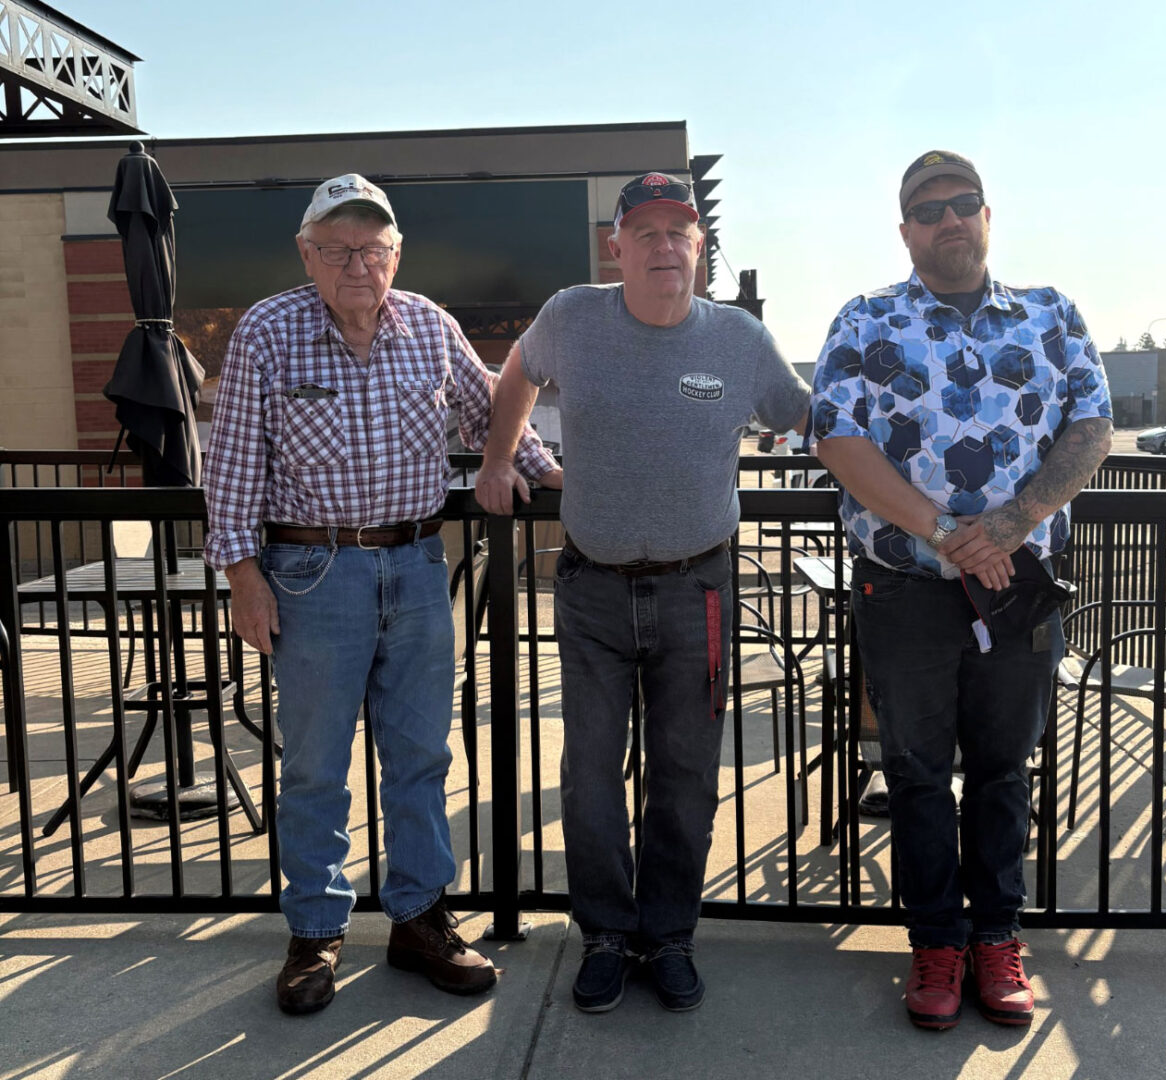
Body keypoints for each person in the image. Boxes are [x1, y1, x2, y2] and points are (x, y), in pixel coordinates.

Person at [203, 173, 561, 1015]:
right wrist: (242, 578)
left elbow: (493, 416)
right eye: (337, 249)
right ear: (307, 253)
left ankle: (419, 918)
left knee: (420, 757)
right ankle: (314, 933)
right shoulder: (266, 331)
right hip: (311, 574)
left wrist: (564, 492)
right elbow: (230, 472)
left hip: (414, 567)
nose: (356, 264)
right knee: (317, 767)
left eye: (372, 248)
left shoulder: (430, 326)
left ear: (396, 253)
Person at [476, 172, 810, 1014]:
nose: (666, 247)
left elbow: (815, 418)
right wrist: (497, 459)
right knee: (588, 774)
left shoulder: (738, 339)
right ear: (614, 247)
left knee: (686, 774)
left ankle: (668, 935)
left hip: (697, 589)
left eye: (681, 233)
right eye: (648, 233)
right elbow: (513, 378)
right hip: (591, 587)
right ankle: (605, 935)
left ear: (700, 248)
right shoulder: (571, 317)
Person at [811, 150, 1112, 1030]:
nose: (949, 219)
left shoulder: (1052, 316)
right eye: (928, 209)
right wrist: (944, 533)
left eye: (963, 204)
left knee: (1001, 768)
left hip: (1017, 588)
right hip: (904, 590)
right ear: (905, 230)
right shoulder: (865, 321)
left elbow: (1092, 423)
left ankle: (996, 939)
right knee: (912, 770)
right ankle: (935, 941)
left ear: (988, 216)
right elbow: (833, 434)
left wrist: (1014, 524)